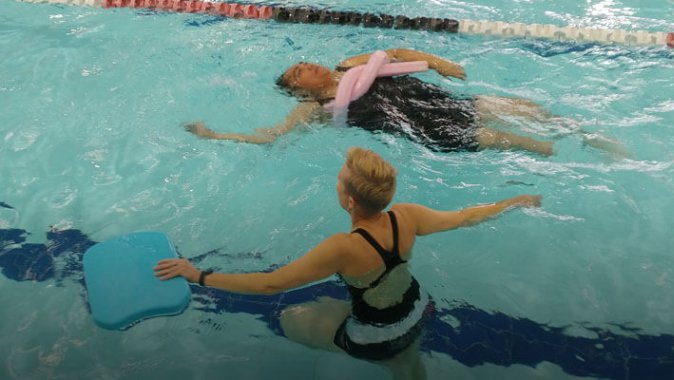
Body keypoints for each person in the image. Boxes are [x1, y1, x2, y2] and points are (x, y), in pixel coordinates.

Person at [154, 147, 542, 379]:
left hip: (380, 336)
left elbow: (271, 285)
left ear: (350, 201)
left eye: (339, 182)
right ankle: (405, 362)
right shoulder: (406, 216)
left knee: (292, 318)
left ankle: (395, 361)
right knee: (391, 342)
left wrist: (199, 275)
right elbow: (465, 216)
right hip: (420, 309)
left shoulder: (343, 247)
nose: (336, 185)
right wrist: (512, 202)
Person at [183, 48, 562, 155]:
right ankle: (559, 153)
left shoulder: (349, 65)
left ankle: (586, 136)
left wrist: (438, 62)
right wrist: (213, 135)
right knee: (529, 144)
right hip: (431, 131)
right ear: (301, 91)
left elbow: (394, 53)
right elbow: (273, 137)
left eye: (302, 63)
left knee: (532, 112)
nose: (306, 66)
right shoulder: (316, 109)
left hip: (446, 102)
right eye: (298, 74)